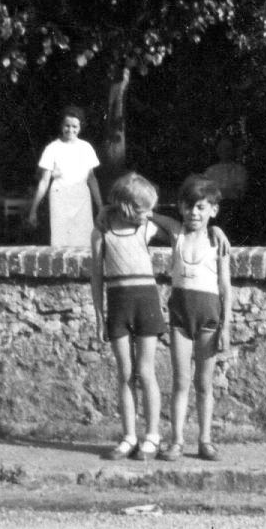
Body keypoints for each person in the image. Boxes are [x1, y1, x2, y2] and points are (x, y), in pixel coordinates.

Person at [90, 171, 166, 460]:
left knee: (146, 372)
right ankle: (128, 436)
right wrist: (99, 316)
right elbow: (96, 278)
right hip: (118, 304)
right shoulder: (102, 232)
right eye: (143, 208)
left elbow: (172, 225)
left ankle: (153, 435)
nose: (149, 214)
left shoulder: (145, 227)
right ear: (125, 206)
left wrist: (106, 208)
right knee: (125, 373)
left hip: (146, 301)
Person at [163, 174, 233, 461]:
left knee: (204, 384)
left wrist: (226, 326)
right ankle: (177, 440)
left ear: (213, 209)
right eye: (189, 206)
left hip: (209, 317)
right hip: (180, 315)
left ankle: (205, 440)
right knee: (180, 381)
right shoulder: (176, 234)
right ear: (180, 207)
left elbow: (226, 287)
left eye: (202, 207)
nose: (194, 212)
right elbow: (145, 212)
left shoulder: (217, 243)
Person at [28, 107, 102, 248]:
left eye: (74, 126)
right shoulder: (52, 148)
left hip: (82, 199)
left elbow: (92, 179)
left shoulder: (86, 148)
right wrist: (33, 209)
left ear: (80, 127)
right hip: (60, 198)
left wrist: (100, 207)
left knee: (84, 241)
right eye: (67, 125)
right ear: (61, 126)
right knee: (61, 240)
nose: (70, 130)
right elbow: (44, 182)